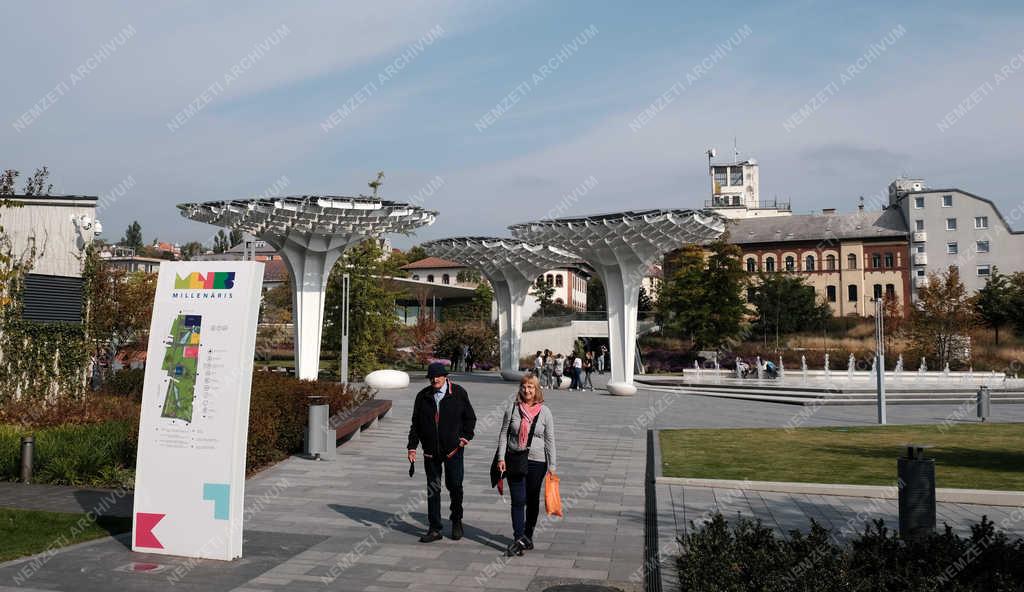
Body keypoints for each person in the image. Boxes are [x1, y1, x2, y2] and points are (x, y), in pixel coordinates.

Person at [407, 363, 477, 542]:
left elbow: (470, 417)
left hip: (453, 450)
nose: (435, 379)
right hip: (431, 452)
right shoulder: (423, 396)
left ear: (445, 377)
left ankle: (456, 520)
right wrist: (412, 446)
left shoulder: (459, 393)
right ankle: (435, 528)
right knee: (433, 489)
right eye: (432, 377)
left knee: (455, 486)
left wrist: (465, 438)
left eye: (438, 376)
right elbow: (416, 423)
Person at [496, 374, 556, 557]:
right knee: (518, 500)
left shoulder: (545, 411)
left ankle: (527, 536)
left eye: (531, 387)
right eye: (524, 386)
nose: (527, 390)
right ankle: (518, 538)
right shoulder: (512, 409)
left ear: (536, 390)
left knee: (531, 500)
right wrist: (501, 458)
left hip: (537, 462)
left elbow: (550, 439)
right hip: (514, 459)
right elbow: (504, 434)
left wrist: (552, 466)